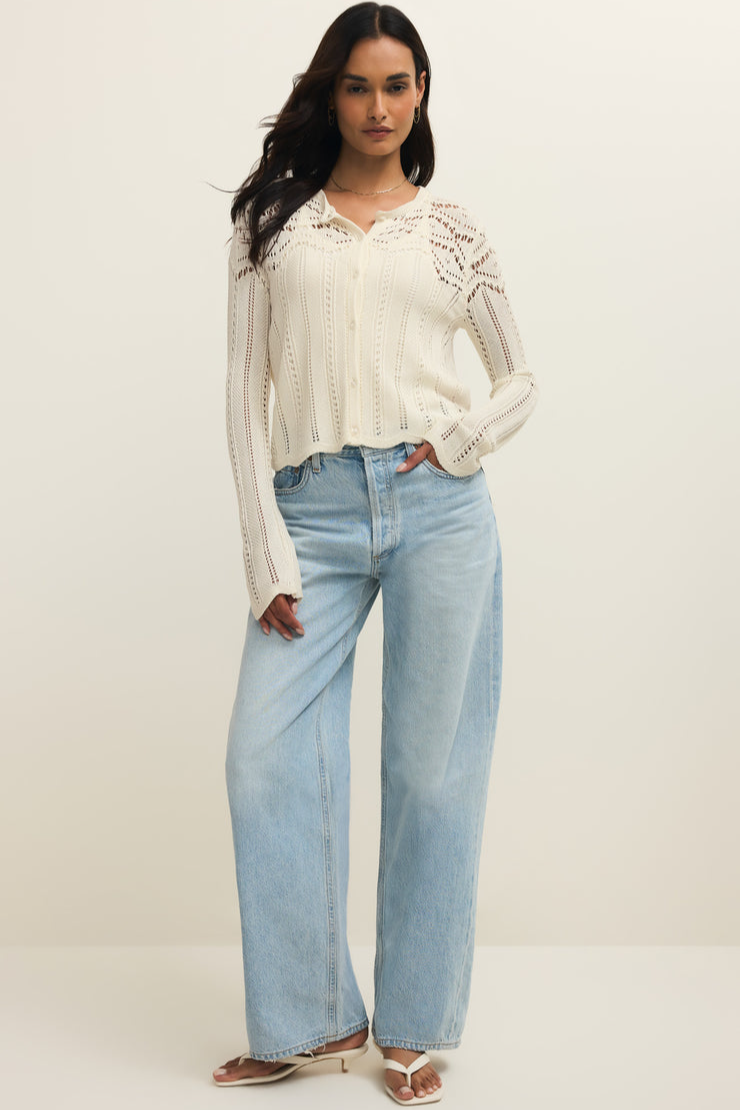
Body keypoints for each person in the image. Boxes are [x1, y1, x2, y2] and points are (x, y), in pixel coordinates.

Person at [213, 3, 538, 1103]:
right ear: (330, 92)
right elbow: (241, 395)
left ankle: (409, 1028)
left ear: (420, 92)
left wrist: (457, 443)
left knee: (432, 770)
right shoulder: (271, 224)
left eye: (398, 85)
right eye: (358, 85)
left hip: (439, 508)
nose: (379, 106)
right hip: (310, 513)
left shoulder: (451, 232)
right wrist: (263, 550)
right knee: (263, 759)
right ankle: (309, 1018)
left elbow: (520, 377)